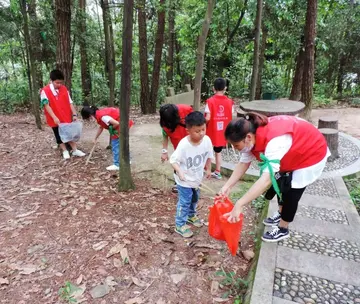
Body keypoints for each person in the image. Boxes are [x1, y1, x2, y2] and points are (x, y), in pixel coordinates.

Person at [218, 113, 330, 242]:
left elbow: (267, 179)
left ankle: (283, 228)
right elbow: (243, 163)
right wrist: (227, 186)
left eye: (236, 145)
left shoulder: (275, 141)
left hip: (311, 153)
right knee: (281, 181)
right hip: (293, 151)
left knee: (292, 191)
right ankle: (281, 213)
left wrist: (240, 204)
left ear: (248, 137)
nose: (235, 149)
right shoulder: (252, 134)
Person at [170, 111, 214, 238]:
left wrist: (209, 169)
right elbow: (173, 161)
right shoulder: (184, 145)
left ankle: (190, 215)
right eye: (197, 131)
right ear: (188, 130)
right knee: (185, 201)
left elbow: (209, 156)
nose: (201, 133)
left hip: (196, 179)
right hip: (184, 181)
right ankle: (179, 224)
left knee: (195, 198)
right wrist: (180, 171)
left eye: (203, 129)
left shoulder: (207, 140)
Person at [40, 69, 86, 160]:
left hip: (65, 115)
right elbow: (46, 105)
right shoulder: (45, 91)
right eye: (57, 83)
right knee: (58, 134)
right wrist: (54, 117)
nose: (59, 85)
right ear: (51, 81)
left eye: (61, 82)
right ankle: (64, 150)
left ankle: (75, 150)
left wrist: (74, 114)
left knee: (69, 133)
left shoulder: (64, 89)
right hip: (54, 117)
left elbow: (70, 102)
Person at [81, 106, 134, 171]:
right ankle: (127, 160)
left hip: (121, 125)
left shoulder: (102, 117)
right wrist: (95, 138)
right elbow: (101, 127)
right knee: (122, 144)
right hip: (124, 123)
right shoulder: (99, 114)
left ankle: (117, 164)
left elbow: (116, 123)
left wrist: (111, 128)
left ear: (90, 115)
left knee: (115, 145)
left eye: (88, 118)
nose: (89, 120)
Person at [204, 77, 234, 180]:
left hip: (211, 131)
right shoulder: (230, 102)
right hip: (222, 131)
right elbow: (231, 115)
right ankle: (217, 172)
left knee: (208, 151)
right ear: (225, 88)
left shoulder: (210, 101)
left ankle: (207, 170)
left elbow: (207, 118)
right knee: (218, 152)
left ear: (213, 88)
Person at [160, 103, 193, 193]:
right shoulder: (165, 122)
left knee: (191, 161)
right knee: (178, 160)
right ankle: (178, 183)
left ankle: (193, 182)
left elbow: (197, 122)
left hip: (190, 139)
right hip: (177, 142)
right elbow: (165, 135)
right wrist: (164, 151)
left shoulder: (185, 109)